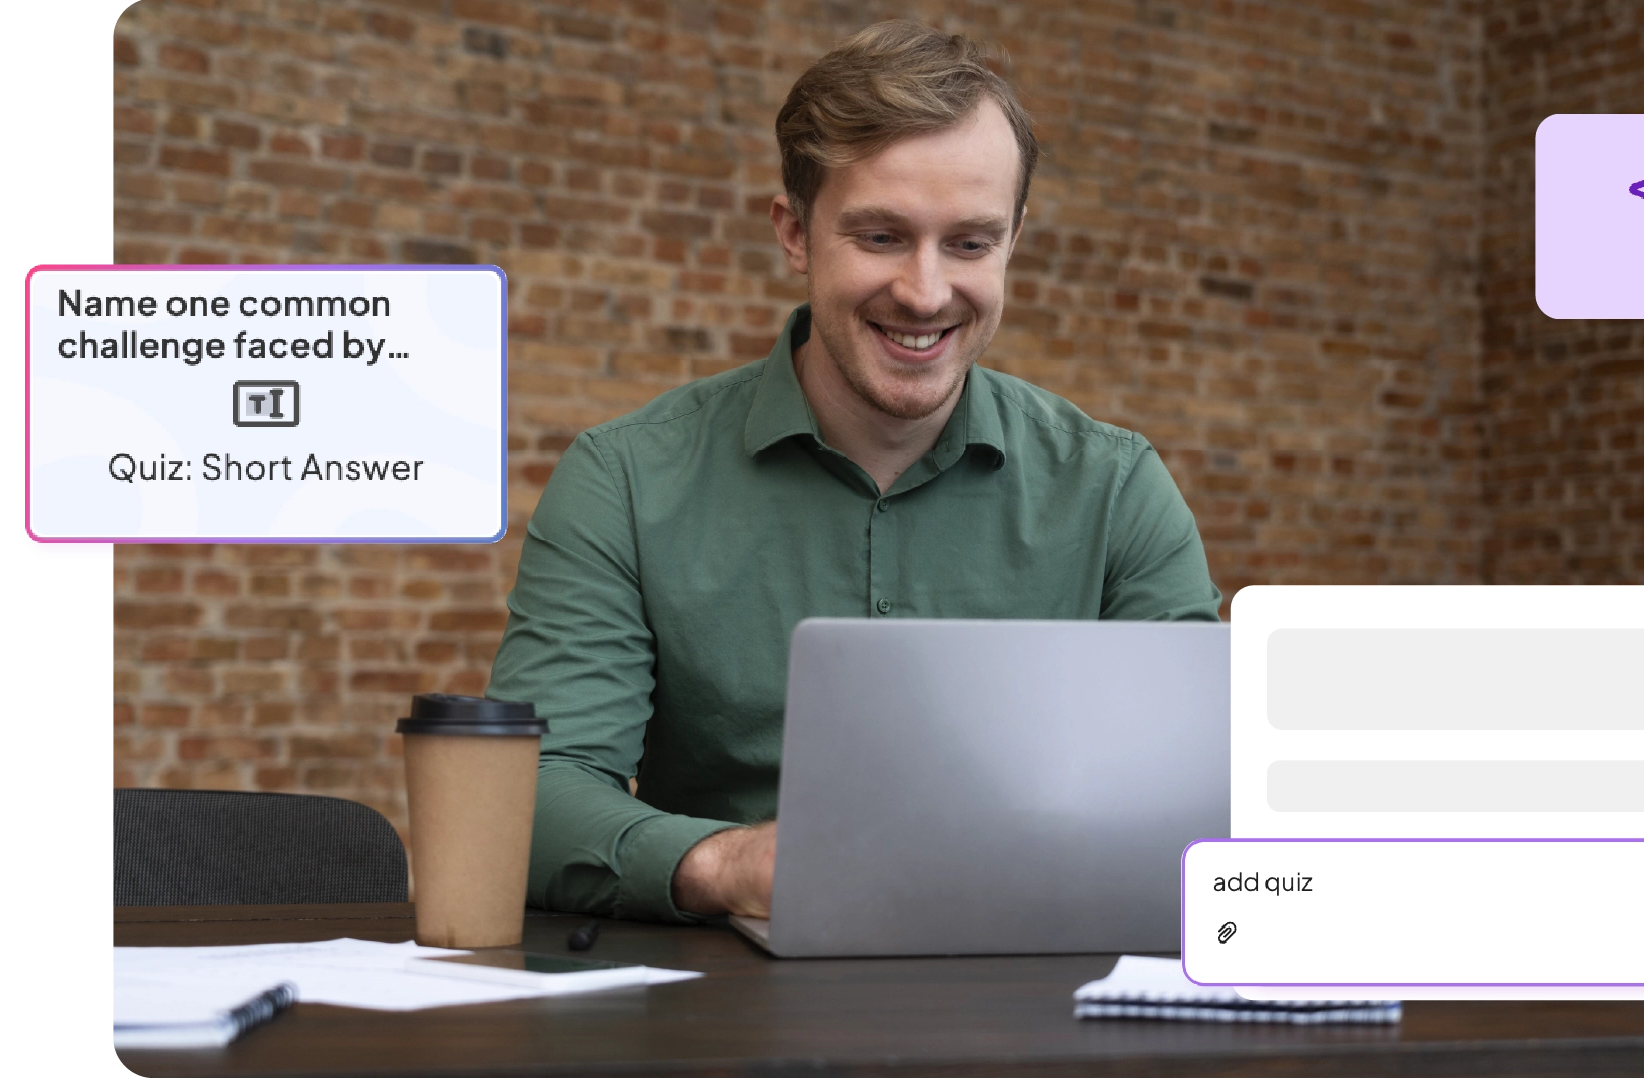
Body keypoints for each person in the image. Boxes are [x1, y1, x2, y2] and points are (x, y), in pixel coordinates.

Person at [485, 20, 1221, 924]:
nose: (923, 291)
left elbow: (1195, 799)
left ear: (1014, 240)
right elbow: (529, 796)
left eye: (970, 243)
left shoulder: (1116, 491)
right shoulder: (624, 481)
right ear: (795, 233)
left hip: (1037, 997)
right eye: (880, 236)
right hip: (725, 1016)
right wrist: (727, 864)